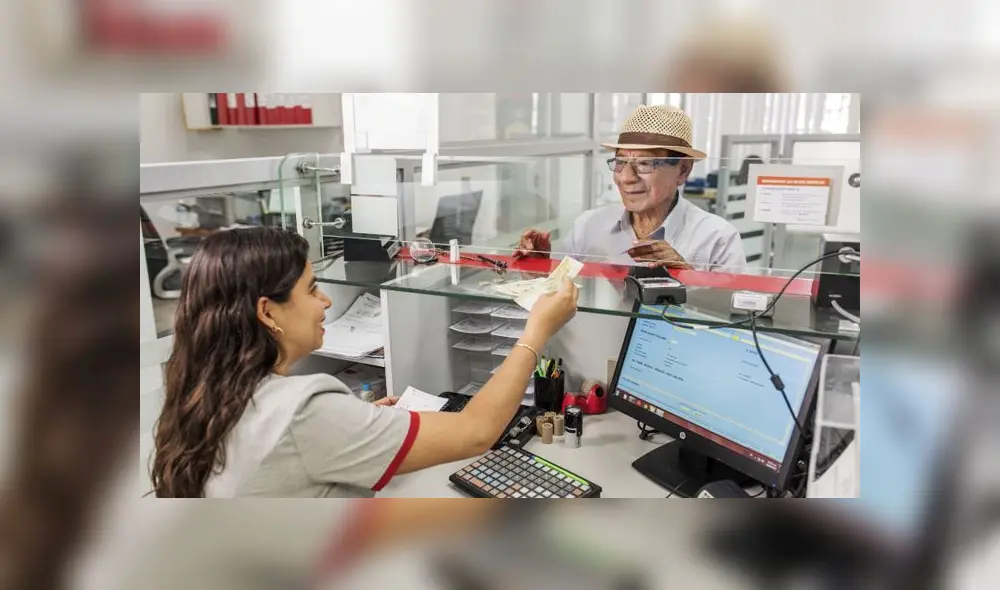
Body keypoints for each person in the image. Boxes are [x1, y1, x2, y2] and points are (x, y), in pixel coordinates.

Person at [149, 226, 578, 498]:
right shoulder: (304, 409)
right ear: (267, 312)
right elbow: (475, 434)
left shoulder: (204, 388)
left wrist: (350, 427)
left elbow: (284, 451)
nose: (326, 301)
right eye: (312, 289)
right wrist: (536, 332)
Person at [513, 105, 747, 273]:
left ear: (683, 171)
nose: (626, 178)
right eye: (621, 162)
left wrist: (687, 278)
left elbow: (734, 322)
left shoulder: (717, 238)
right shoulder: (589, 226)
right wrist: (539, 267)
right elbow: (556, 296)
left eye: (645, 163)